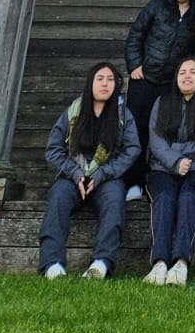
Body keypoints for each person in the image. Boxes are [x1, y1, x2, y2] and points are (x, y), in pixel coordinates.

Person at [39, 61, 138, 279]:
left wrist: (102, 174)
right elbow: (54, 149)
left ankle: (101, 263)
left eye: (110, 80)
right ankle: (52, 264)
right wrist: (76, 174)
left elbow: (132, 149)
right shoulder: (73, 111)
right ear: (90, 83)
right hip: (72, 176)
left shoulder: (123, 114)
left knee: (115, 200)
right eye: (100, 79)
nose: (105, 84)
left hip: (106, 178)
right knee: (58, 197)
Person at [123, 0, 195, 198]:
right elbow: (135, 36)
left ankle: (156, 181)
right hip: (144, 80)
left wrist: (187, 77)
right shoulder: (156, 7)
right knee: (137, 131)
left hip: (171, 86)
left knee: (164, 133)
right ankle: (133, 183)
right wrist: (134, 65)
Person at [143, 57, 195, 285]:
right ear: (176, 78)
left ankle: (181, 263)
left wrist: (184, 156)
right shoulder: (162, 102)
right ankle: (159, 263)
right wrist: (175, 161)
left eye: (193, 72)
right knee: (164, 197)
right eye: (182, 72)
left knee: (189, 196)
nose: (187, 76)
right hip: (162, 169)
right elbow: (155, 140)